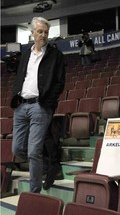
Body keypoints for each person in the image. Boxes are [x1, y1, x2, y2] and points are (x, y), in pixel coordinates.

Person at [10, 17, 66, 193]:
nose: (43, 35)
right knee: (17, 148)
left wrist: (48, 103)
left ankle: (35, 192)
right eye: (40, 32)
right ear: (32, 33)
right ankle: (49, 163)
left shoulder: (55, 55)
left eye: (46, 32)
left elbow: (60, 82)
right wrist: (16, 96)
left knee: (34, 152)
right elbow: (21, 78)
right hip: (21, 106)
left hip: (40, 107)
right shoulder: (25, 55)